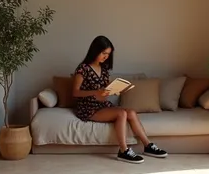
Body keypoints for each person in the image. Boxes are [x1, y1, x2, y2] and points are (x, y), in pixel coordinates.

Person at [72, 36, 168, 164]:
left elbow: (104, 92)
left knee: (131, 112)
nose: (106, 57)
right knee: (121, 113)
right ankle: (123, 150)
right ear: (95, 50)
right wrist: (95, 92)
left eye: (108, 54)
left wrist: (115, 90)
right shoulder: (83, 68)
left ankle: (148, 145)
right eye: (103, 53)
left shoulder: (104, 69)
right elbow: (75, 92)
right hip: (88, 107)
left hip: (102, 104)